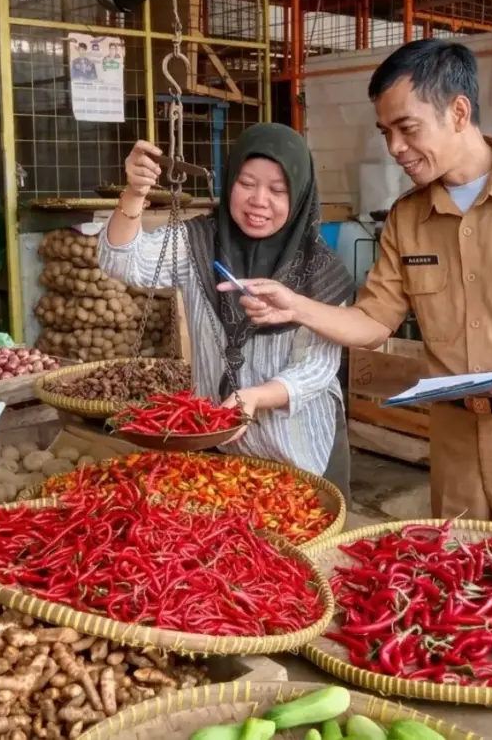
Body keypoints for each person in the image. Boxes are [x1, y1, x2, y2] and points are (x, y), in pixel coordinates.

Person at [222, 40, 492, 546]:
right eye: (386, 132)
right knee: (460, 585)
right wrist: (297, 306)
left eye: (407, 128)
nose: (394, 147)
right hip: (453, 437)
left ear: (459, 112)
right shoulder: (407, 217)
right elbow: (373, 322)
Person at [100, 124, 356, 497]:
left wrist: (255, 397)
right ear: (230, 180)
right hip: (222, 448)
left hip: (301, 449)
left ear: (299, 196)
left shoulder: (322, 272)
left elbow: (317, 369)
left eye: (277, 190)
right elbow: (122, 262)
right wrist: (135, 193)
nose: (258, 200)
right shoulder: (199, 244)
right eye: (247, 183)